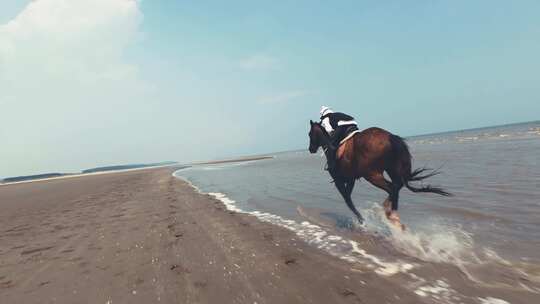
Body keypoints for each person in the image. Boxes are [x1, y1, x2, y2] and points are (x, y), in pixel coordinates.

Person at [319, 106, 358, 171]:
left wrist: (332, 138)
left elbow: (329, 130)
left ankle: (332, 164)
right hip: (353, 125)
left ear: (323, 115)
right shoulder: (337, 114)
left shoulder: (326, 119)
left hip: (342, 126)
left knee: (331, 145)